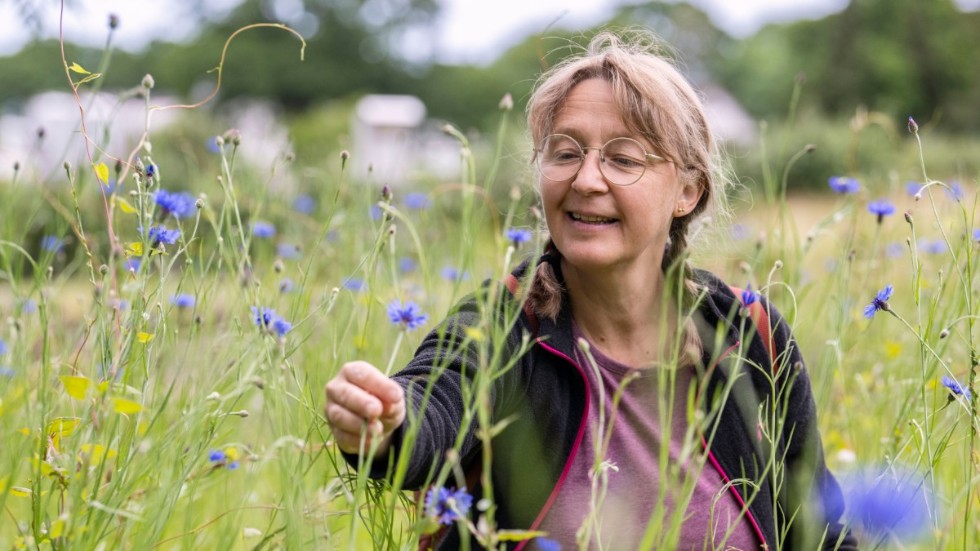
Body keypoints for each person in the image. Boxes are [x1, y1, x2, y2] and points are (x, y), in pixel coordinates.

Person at [325, 30, 857, 551]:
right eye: (565, 153)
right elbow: (434, 408)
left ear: (687, 191)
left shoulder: (749, 334)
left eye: (623, 159)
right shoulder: (502, 325)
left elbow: (824, 532)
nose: (586, 179)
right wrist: (388, 423)